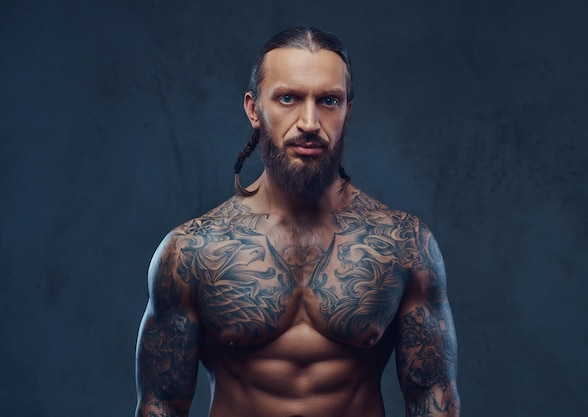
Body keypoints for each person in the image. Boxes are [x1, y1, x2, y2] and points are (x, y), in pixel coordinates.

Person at [135, 26, 460, 417]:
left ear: (347, 111)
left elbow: (433, 399)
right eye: (288, 98)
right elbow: (160, 406)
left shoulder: (403, 244)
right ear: (254, 109)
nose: (309, 121)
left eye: (328, 101)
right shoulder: (191, 252)